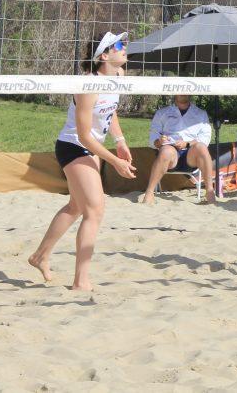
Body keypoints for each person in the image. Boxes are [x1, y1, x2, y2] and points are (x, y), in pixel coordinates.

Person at [28, 31, 137, 291]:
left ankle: (39, 256)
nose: (125, 47)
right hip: (74, 146)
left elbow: (111, 111)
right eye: (118, 45)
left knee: (76, 206)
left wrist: (120, 141)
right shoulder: (87, 85)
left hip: (91, 147)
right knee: (95, 210)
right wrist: (114, 161)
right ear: (104, 55)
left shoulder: (119, 76)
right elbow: (84, 136)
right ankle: (81, 282)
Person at [143, 94, 215, 204]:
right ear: (174, 93)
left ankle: (209, 191)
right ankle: (149, 192)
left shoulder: (200, 113)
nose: (183, 93)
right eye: (180, 90)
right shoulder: (162, 112)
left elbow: (205, 138)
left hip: (191, 154)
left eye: (185, 90)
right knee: (166, 151)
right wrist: (160, 141)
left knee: (201, 147)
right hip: (170, 153)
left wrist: (187, 144)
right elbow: (153, 137)